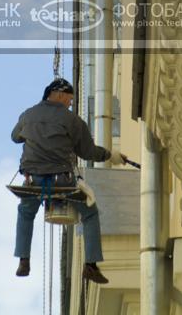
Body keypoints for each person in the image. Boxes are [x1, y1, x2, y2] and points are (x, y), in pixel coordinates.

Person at [11, 77, 127, 283]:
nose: (70, 104)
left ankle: (24, 260)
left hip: (32, 181)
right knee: (90, 215)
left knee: (26, 213)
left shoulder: (27, 114)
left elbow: (15, 137)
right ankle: (91, 266)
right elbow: (88, 151)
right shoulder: (72, 120)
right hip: (61, 180)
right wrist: (112, 155)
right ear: (59, 94)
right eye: (70, 100)